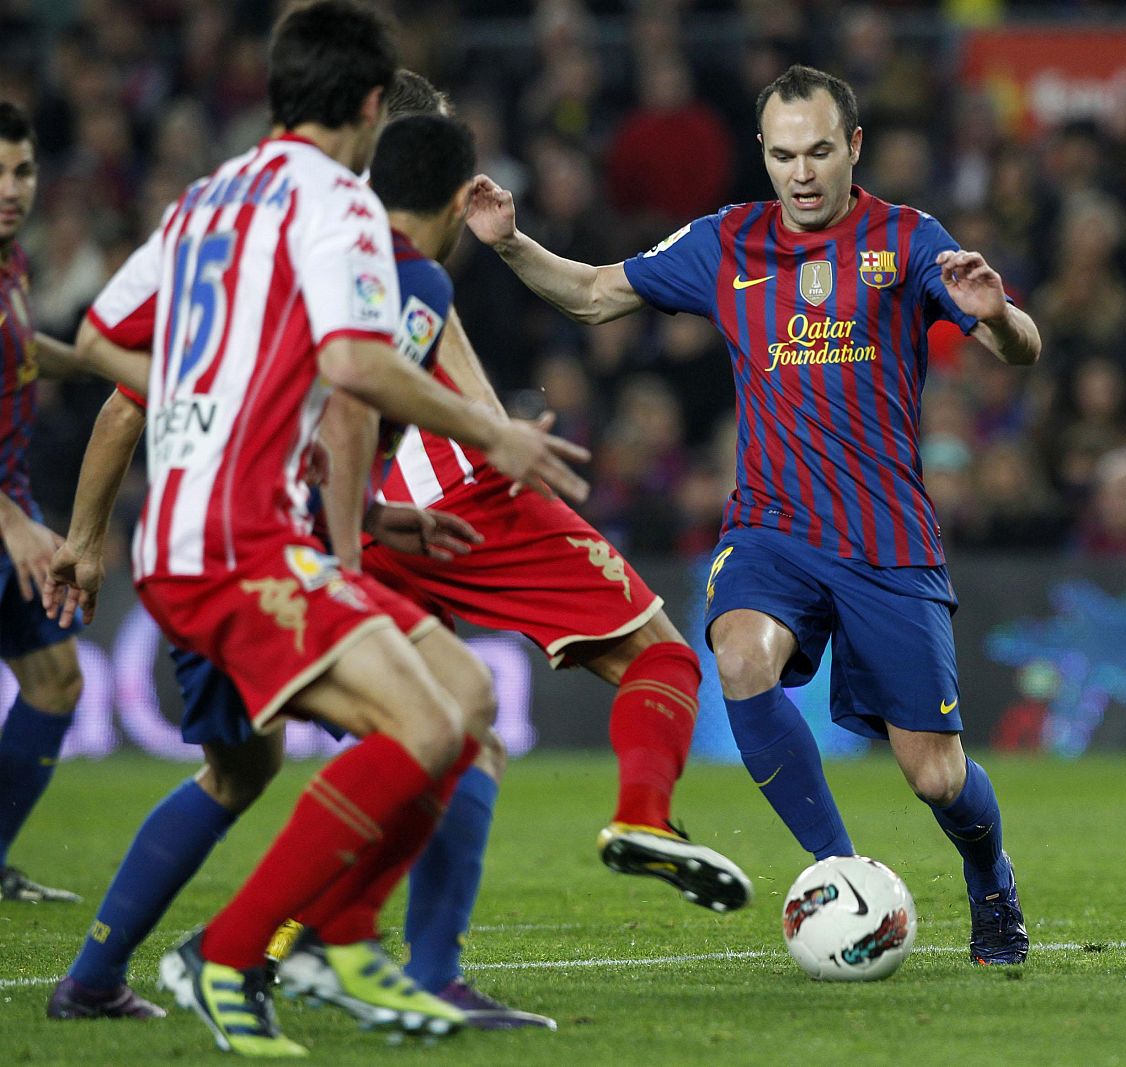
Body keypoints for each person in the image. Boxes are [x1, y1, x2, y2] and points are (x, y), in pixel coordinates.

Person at [70, 4, 582, 1054]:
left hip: (217, 531)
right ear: (370, 105)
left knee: (461, 699)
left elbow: (97, 338)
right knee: (432, 724)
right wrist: (492, 430)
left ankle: (330, 938)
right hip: (239, 545)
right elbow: (355, 369)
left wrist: (232, 408)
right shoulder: (342, 204)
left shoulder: (208, 195)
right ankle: (249, 950)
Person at [467, 64, 1040, 963]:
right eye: (782, 154)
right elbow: (594, 293)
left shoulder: (908, 239)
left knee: (935, 774)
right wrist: (510, 244)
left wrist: (997, 315)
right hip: (771, 528)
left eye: (819, 151)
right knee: (737, 656)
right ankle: (841, 872)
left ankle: (989, 874)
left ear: (854, 146)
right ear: (764, 153)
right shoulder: (726, 241)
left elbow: (1023, 349)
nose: (801, 173)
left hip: (886, 537)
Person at [0, 102, 127, 905]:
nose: (11, 188)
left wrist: (87, 360)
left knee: (56, 680)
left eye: (21, 170)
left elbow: (20, 347)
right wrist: (10, 519)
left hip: (11, 503)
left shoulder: (11, 261)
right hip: (5, 514)